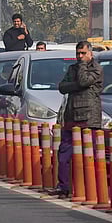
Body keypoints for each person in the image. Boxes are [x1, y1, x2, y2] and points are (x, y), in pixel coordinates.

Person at [48, 41, 102, 197]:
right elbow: (62, 87)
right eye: (78, 53)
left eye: (83, 53)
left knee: (86, 155)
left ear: (90, 54)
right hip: (71, 117)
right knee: (64, 153)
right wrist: (77, 85)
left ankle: (88, 188)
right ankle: (63, 186)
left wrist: (83, 68)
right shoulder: (73, 68)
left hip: (88, 118)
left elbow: (85, 81)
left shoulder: (96, 69)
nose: (80, 56)